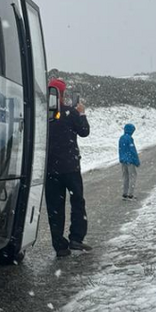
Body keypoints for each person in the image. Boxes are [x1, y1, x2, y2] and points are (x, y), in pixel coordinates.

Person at [45, 78, 91, 254]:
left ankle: (59, 245)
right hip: (70, 168)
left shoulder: (43, 114)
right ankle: (76, 238)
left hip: (50, 170)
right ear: (62, 94)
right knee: (77, 202)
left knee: (54, 207)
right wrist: (82, 113)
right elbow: (84, 132)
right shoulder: (70, 112)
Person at [118, 122, 140, 198]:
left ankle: (125, 193)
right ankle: (131, 194)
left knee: (125, 177)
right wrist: (136, 161)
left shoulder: (121, 138)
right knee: (133, 176)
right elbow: (132, 150)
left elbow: (120, 150)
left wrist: (121, 158)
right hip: (130, 160)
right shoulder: (129, 139)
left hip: (123, 160)